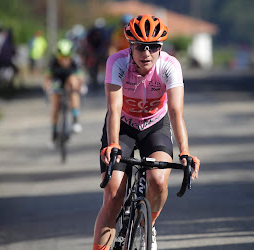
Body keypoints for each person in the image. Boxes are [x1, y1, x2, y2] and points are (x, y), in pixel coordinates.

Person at [93, 14, 201, 250]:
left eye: (154, 47)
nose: (147, 53)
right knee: (113, 196)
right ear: (130, 46)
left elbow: (175, 112)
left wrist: (185, 151)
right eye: (141, 47)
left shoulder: (170, 66)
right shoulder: (117, 63)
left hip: (155, 125)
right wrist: (113, 144)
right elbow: (113, 108)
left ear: (161, 47)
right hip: (122, 126)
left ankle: (146, 223)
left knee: (159, 180)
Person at [43, 38, 84, 148]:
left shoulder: (76, 60)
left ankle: (75, 120)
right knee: (55, 105)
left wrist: (80, 87)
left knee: (74, 85)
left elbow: (80, 77)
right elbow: (47, 79)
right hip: (57, 79)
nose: (65, 61)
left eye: (67, 58)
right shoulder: (53, 61)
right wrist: (48, 89)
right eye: (62, 58)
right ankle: (54, 133)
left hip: (69, 80)